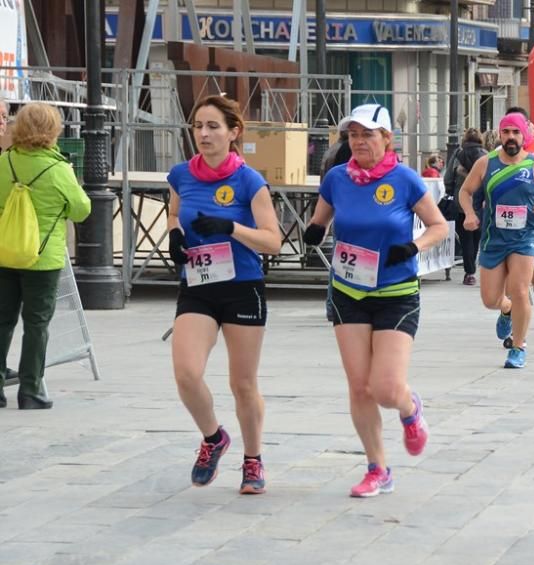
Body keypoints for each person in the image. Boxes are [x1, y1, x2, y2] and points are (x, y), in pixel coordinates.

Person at [302, 103, 449, 498]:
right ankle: (377, 468)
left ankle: (409, 409)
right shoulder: (336, 178)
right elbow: (323, 216)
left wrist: (413, 247)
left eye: (367, 134)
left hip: (395, 294)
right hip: (349, 290)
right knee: (359, 387)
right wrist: (314, 230)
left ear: (387, 138)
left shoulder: (404, 180)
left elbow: (438, 226)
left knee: (385, 388)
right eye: (353, 135)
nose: (359, 141)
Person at [166, 95, 281, 493]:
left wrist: (231, 229)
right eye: (198, 126)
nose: (203, 133)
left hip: (241, 286)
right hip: (198, 286)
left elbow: (273, 241)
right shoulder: (181, 174)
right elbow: (174, 212)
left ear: (234, 133)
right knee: (185, 373)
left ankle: (253, 461)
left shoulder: (249, 181)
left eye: (213, 126)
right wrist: (175, 236)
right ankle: (214, 437)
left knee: (243, 383)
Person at [458, 113, 534, 369]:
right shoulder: (486, 163)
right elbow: (465, 191)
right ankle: (505, 309)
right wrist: (469, 213)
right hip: (493, 238)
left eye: (515, 132)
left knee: (521, 290)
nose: (511, 137)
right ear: (500, 135)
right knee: (489, 299)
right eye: (506, 132)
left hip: (524, 238)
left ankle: (519, 347)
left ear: (524, 136)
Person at [0, 102, 91, 410]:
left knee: (2, 321)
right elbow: (82, 209)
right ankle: (30, 390)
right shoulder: (58, 169)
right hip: (42, 258)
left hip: (4, 254)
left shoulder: (4, 162)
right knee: (36, 323)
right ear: (53, 130)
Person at [444, 128, 488, 286]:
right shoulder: (485, 155)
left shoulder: (458, 154)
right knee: (476, 237)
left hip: (461, 201)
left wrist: (450, 190)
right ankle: (473, 265)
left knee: (465, 238)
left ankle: (469, 272)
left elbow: (448, 176)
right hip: (479, 202)